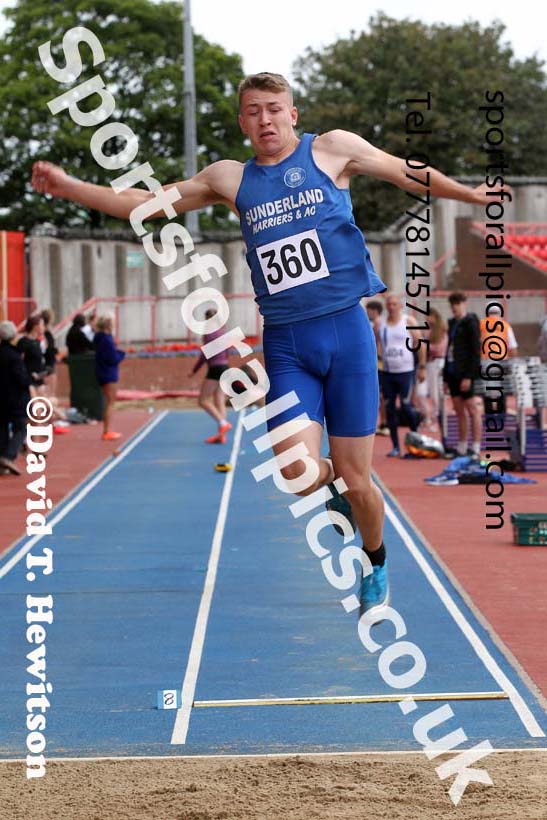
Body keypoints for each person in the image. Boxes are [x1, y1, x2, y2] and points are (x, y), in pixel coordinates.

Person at [31, 71, 504, 615]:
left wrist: (467, 193)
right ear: (242, 122)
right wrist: (68, 186)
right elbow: (145, 202)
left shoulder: (333, 151)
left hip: (347, 335)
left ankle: (375, 559)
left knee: (361, 482)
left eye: (274, 108)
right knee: (298, 474)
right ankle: (333, 483)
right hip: (286, 344)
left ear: (293, 114)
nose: (265, 119)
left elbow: (404, 173)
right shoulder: (229, 178)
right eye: (253, 111)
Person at [376, 293, 426, 456]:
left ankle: (416, 438)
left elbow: (420, 344)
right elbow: (376, 343)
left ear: (400, 306)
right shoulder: (380, 324)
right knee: (389, 408)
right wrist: (379, 360)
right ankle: (395, 446)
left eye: (394, 304)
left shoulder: (408, 321)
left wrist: (422, 366)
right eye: (388, 304)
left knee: (406, 406)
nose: (391, 307)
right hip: (388, 372)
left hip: (406, 371)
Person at [443, 292, 482, 457]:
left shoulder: (471, 323)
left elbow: (475, 352)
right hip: (452, 370)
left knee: (472, 409)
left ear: (464, 304)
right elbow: (448, 349)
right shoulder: (452, 323)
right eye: (452, 304)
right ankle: (462, 446)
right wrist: (445, 376)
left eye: (457, 303)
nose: (454, 307)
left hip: (465, 372)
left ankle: (476, 446)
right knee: (459, 411)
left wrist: (469, 376)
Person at [190, 308, 233, 444]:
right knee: (219, 401)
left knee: (203, 400)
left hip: (215, 369)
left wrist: (194, 370)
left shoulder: (209, 333)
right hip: (225, 367)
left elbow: (205, 354)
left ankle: (222, 423)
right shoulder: (223, 332)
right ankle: (221, 434)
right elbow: (226, 353)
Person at [0, 320, 31, 476]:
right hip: (16, 398)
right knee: (21, 427)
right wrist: (29, 378)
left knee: (2, 428)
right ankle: (8, 456)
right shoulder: (15, 356)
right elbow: (22, 379)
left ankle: (2, 459)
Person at [93, 314, 125, 441]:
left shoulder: (101, 338)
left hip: (104, 371)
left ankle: (107, 430)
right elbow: (112, 358)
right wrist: (121, 354)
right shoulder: (106, 339)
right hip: (108, 373)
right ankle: (106, 431)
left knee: (109, 401)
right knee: (110, 402)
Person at [414, 307, 448, 431]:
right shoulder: (426, 330)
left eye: (429, 316)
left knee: (435, 394)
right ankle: (427, 417)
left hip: (437, 363)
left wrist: (424, 346)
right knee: (420, 392)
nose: (427, 319)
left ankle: (438, 420)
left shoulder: (442, 329)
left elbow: (440, 348)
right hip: (426, 363)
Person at [366, 300, 389, 436]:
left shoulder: (378, 324)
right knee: (380, 395)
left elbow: (378, 343)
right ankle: (383, 422)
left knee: (379, 395)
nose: (367, 313)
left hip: (379, 363)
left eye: (368, 310)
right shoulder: (378, 323)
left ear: (374, 311)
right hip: (379, 362)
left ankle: (384, 422)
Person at [17, 315, 47, 395]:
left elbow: (40, 359)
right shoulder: (23, 342)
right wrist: (28, 375)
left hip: (39, 379)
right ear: (35, 326)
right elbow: (19, 362)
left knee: (47, 404)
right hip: (29, 381)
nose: (44, 327)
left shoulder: (38, 342)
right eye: (42, 325)